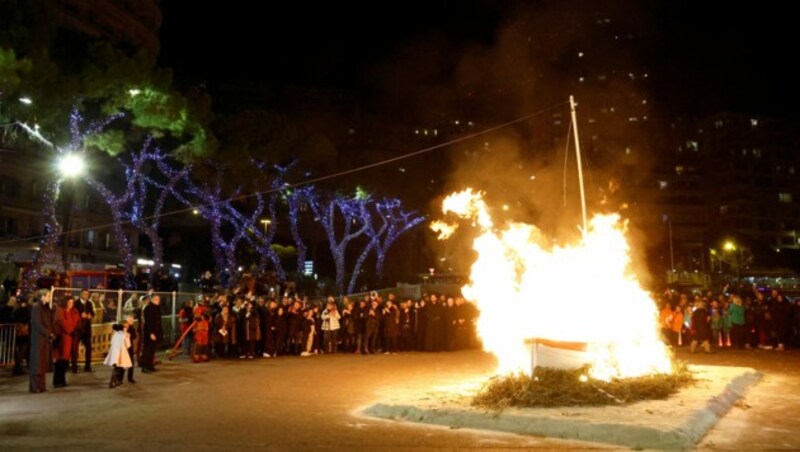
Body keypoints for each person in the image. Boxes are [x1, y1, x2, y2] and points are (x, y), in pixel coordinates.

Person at [29, 292, 54, 393]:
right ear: (42, 296)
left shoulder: (46, 307)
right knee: (37, 362)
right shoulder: (36, 307)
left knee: (42, 363)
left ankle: (42, 386)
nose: (49, 298)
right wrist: (48, 332)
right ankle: (35, 387)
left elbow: (49, 321)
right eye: (48, 296)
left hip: (44, 338)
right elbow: (37, 323)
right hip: (38, 338)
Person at [53, 296, 79, 388]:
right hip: (63, 337)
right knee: (60, 361)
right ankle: (57, 380)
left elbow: (76, 320)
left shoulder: (72, 311)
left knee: (65, 361)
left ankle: (62, 379)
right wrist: (71, 330)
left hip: (69, 337)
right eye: (69, 302)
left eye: (72, 302)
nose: (71, 304)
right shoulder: (60, 310)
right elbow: (62, 322)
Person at [104, 323, 132, 388]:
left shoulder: (115, 334)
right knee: (119, 367)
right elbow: (128, 345)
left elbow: (111, 342)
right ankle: (114, 381)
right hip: (121, 354)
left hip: (114, 354)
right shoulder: (125, 334)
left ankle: (113, 381)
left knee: (116, 367)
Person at [73, 289, 95, 373]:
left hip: (87, 329)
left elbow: (92, 312)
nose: (86, 296)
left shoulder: (89, 303)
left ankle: (87, 366)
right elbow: (74, 313)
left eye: (88, 294)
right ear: (81, 294)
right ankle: (74, 367)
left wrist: (90, 315)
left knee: (89, 348)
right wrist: (80, 315)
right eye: (85, 294)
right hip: (78, 329)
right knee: (75, 349)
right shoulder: (76, 303)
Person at [141, 295, 162, 373]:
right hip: (150, 332)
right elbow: (148, 322)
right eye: (156, 299)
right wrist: (151, 333)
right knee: (147, 350)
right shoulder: (148, 308)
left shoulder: (157, 308)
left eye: (158, 299)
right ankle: (145, 367)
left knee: (152, 350)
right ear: (152, 300)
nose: (158, 301)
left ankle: (150, 365)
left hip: (155, 331)